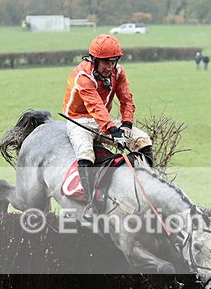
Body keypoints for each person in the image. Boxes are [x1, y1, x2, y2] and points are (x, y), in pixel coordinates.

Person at [62, 34, 154, 216]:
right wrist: (113, 130)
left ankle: (150, 187)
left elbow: (126, 99)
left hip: (105, 120)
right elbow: (95, 106)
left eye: (113, 62)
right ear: (94, 60)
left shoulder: (118, 72)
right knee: (86, 154)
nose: (110, 67)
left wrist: (126, 125)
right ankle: (90, 205)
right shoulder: (83, 76)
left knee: (143, 140)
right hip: (79, 120)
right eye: (105, 62)